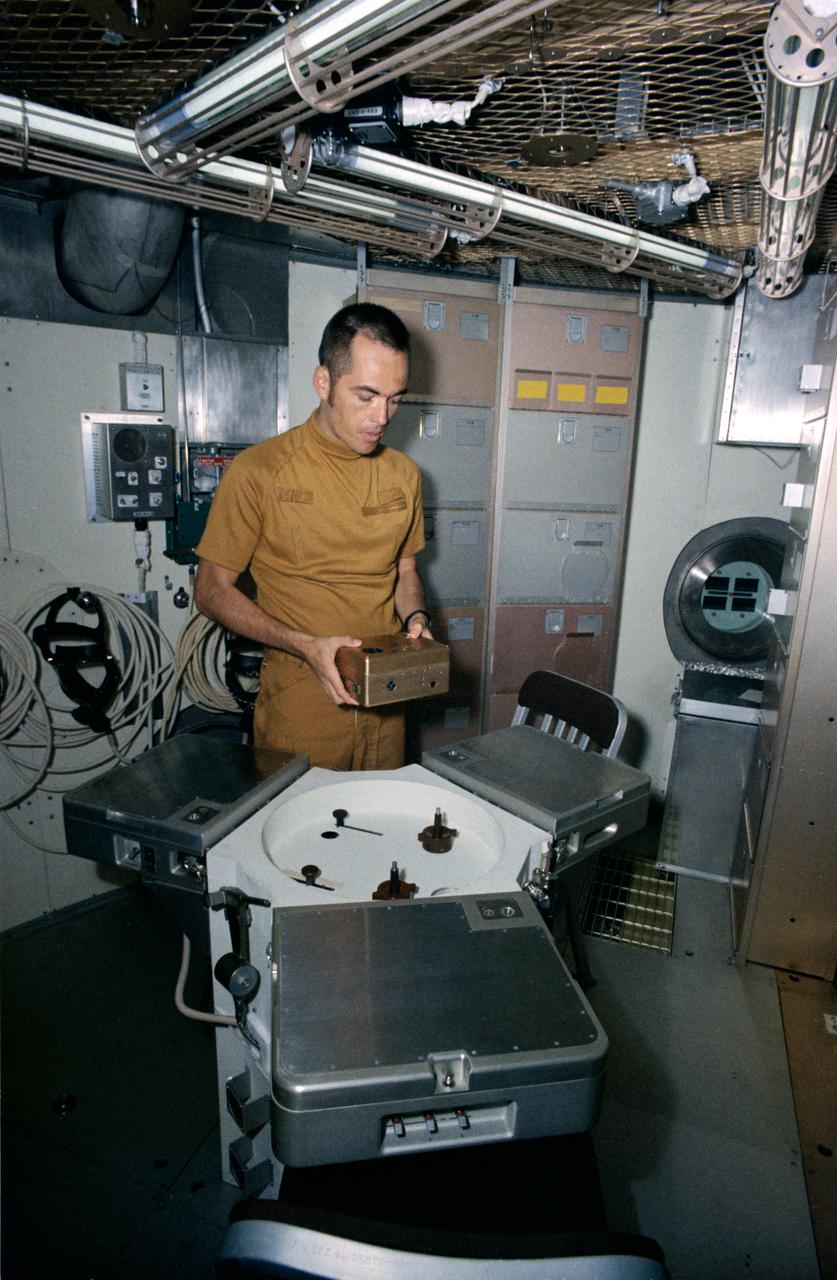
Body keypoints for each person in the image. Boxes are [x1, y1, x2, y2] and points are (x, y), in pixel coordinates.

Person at [194, 302, 431, 770]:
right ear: (323, 382)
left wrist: (416, 617)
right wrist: (304, 644)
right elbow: (210, 591)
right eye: (365, 396)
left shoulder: (404, 475)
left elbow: (406, 572)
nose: (382, 416)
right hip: (302, 700)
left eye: (395, 397)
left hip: (386, 701)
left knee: (381, 828)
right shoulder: (260, 471)